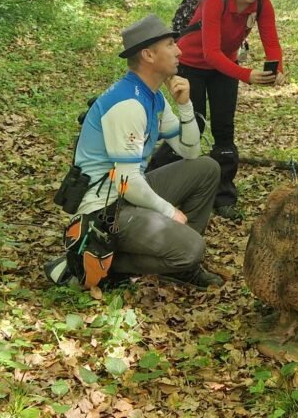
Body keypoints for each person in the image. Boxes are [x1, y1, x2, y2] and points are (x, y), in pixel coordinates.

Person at [45, 15, 224, 289]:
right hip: (104, 208)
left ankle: (180, 263)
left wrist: (185, 106)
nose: (179, 51)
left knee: (206, 168)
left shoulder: (153, 96)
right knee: (192, 248)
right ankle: (90, 258)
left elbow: (190, 151)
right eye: (170, 44)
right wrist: (168, 211)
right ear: (148, 55)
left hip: (126, 194)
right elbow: (125, 181)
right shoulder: (128, 104)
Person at [176, 0, 286, 221]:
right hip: (191, 64)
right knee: (194, 126)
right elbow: (210, 53)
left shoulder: (262, 5)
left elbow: (271, 41)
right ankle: (169, 180)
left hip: (225, 67)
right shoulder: (215, 0)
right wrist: (246, 75)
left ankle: (223, 195)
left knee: (224, 129)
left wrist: (278, 69)